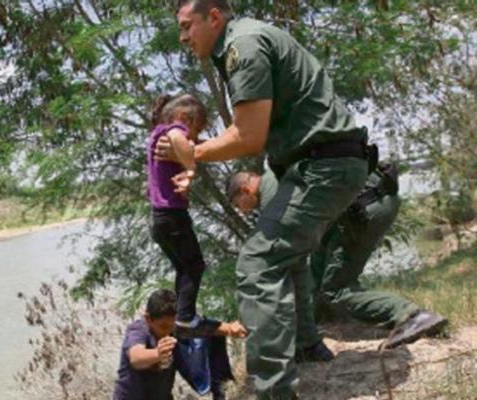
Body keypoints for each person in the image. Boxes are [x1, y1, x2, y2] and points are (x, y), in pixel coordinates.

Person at [156, 1, 374, 398]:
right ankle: (307, 346)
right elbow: (248, 133)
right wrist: (196, 154)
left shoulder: (245, 46)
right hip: (308, 163)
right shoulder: (240, 43)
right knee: (283, 254)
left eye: (188, 26)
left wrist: (190, 153)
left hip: (323, 165)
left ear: (214, 17)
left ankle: (274, 391)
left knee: (257, 264)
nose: (183, 37)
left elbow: (248, 138)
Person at [228, 165, 448, 353]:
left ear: (245, 190)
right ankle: (323, 316)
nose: (243, 212)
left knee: (337, 290)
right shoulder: (276, 176)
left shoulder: (271, 195)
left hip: (362, 210)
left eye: (238, 206)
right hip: (371, 201)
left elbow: (286, 259)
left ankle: (411, 315)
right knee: (319, 272)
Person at [113, 288, 247, 400]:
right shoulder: (139, 330)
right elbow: (136, 358)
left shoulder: (174, 329)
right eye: (163, 326)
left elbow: (204, 327)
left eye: (171, 326)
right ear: (148, 318)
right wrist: (157, 353)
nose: (168, 331)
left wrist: (230, 329)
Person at [147, 93, 209, 333]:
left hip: (159, 219)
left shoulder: (154, 135)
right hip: (173, 216)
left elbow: (187, 143)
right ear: (183, 118)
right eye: (194, 130)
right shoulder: (172, 131)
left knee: (184, 268)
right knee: (195, 265)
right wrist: (191, 169)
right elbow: (178, 136)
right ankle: (185, 317)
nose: (192, 137)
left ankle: (180, 314)